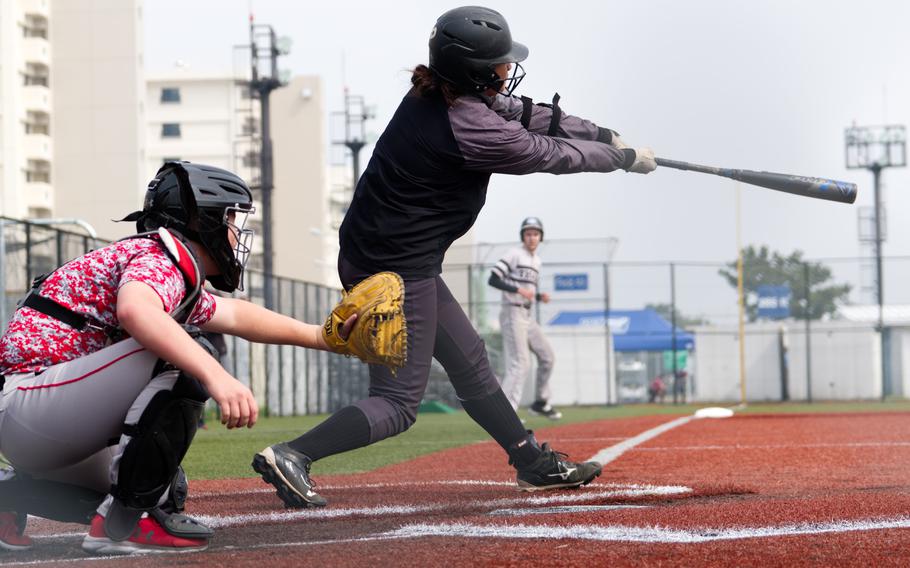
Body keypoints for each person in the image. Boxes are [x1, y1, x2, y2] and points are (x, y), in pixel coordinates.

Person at [253, 5, 656, 508]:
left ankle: (532, 463)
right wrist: (616, 159)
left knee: (472, 366)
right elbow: (545, 152)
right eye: (500, 65)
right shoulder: (469, 126)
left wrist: (598, 134)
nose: (507, 72)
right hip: (396, 267)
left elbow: (529, 114)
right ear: (474, 71)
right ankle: (292, 454)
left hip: (393, 256)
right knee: (399, 404)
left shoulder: (438, 93)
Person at [0, 162, 356, 555]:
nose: (236, 232)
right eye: (231, 219)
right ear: (201, 218)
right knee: (187, 356)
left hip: (37, 421)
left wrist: (323, 337)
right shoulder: (162, 255)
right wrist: (216, 375)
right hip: (31, 404)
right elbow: (136, 312)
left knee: (164, 486)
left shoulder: (158, 260)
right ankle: (123, 526)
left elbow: (236, 314)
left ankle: (10, 494)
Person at [489, 217, 560, 420]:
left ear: (540, 237)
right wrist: (518, 289)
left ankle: (540, 402)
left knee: (547, 357)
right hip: (512, 312)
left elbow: (527, 291)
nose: (532, 237)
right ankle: (505, 413)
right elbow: (493, 279)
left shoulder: (536, 261)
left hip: (527, 315)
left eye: (535, 234)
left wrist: (538, 296)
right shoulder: (514, 254)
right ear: (523, 236)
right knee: (520, 363)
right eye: (528, 233)